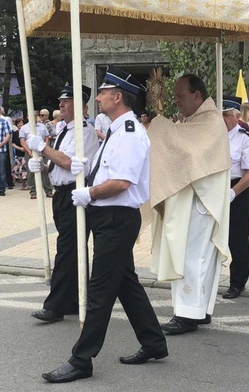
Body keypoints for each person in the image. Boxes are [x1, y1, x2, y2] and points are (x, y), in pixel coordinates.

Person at [42, 69, 166, 383]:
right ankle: (153, 341)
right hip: (109, 217)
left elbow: (122, 182)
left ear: (117, 97)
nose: (97, 98)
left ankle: (82, 359)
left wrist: (90, 192)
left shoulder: (128, 132)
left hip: (116, 218)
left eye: (103, 92)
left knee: (99, 291)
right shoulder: (116, 129)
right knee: (126, 282)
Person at [149, 73, 231, 335]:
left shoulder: (209, 122)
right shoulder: (196, 121)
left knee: (192, 258)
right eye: (174, 96)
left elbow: (184, 150)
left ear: (198, 95)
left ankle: (186, 314)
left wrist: (160, 126)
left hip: (200, 202)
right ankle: (199, 310)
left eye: (181, 96)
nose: (177, 101)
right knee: (199, 259)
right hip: (196, 201)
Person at [26, 85, 99, 323]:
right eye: (61, 100)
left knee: (67, 250)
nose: (61, 104)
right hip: (61, 194)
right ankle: (75, 300)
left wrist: (43, 148)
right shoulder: (64, 130)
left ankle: (55, 305)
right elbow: (59, 164)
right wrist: (43, 167)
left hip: (74, 195)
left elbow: (71, 162)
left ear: (82, 107)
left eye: (66, 101)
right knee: (71, 250)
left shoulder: (84, 131)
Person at [221, 95, 249, 299]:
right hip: (215, 187)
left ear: (237, 117)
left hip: (239, 189)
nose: (222, 120)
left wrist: (233, 192)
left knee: (237, 238)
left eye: (226, 116)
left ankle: (238, 282)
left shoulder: (247, 138)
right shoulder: (213, 136)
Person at [19, 113, 52, 199]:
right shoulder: (24, 128)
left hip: (42, 150)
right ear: (27, 117)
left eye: (34, 116)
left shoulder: (42, 126)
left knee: (45, 171)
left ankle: (48, 190)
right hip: (29, 151)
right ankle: (33, 191)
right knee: (30, 172)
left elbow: (47, 138)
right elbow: (22, 141)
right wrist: (29, 152)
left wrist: (45, 148)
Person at [11, 118, 28, 190]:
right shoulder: (15, 133)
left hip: (26, 153)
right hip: (19, 153)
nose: (20, 124)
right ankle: (23, 184)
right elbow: (13, 143)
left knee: (25, 169)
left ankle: (28, 184)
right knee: (20, 170)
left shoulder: (27, 132)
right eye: (19, 123)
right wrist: (20, 148)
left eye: (22, 123)